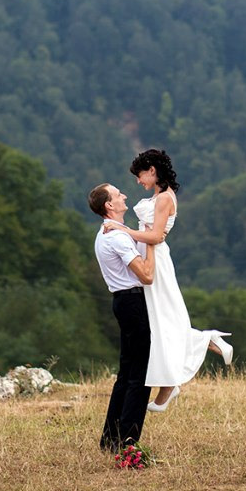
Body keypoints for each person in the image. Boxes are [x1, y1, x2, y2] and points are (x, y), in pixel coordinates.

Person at [104, 149, 232, 412]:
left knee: (163, 320)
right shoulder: (158, 197)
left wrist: (123, 230)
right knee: (158, 322)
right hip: (148, 255)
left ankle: (203, 344)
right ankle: (171, 381)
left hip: (156, 261)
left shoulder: (164, 199)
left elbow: (156, 236)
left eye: (140, 175)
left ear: (152, 170)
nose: (138, 182)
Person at [89, 181, 157, 453]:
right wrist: (151, 240)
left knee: (127, 373)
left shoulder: (108, 233)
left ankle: (110, 439)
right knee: (140, 375)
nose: (124, 196)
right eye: (118, 194)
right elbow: (147, 275)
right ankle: (128, 442)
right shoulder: (116, 237)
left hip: (123, 301)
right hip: (133, 302)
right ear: (109, 205)